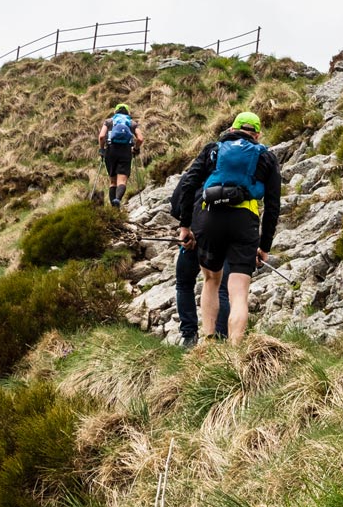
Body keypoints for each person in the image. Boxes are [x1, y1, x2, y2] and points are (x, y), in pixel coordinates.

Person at [170, 111, 281, 345]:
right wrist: (264, 246)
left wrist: (185, 226)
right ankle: (235, 349)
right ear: (257, 135)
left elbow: (188, 184)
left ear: (231, 129)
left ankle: (209, 344)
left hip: (210, 219)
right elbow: (273, 206)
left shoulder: (213, 149)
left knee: (211, 280)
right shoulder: (266, 157)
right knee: (238, 292)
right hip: (244, 222)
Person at [98, 103, 143, 207]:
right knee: (122, 181)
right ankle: (118, 199)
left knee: (113, 182)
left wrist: (102, 150)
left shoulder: (109, 121)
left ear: (115, 111)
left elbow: (101, 136)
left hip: (111, 151)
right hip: (125, 151)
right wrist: (135, 148)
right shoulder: (131, 123)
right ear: (128, 112)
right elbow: (140, 139)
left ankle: (114, 209)